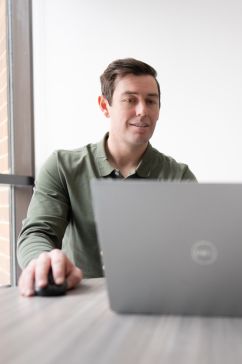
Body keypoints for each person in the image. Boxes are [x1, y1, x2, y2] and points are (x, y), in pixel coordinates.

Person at [17, 58, 196, 296]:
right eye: (130, 100)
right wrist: (44, 259)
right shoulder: (62, 166)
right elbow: (37, 232)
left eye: (151, 101)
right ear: (105, 106)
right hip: (78, 303)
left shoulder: (179, 177)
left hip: (155, 300)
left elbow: (196, 247)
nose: (142, 110)